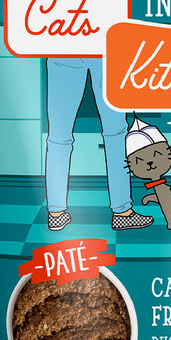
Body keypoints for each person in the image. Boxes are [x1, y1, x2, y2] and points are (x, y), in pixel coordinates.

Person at [44, 57, 153, 231]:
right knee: (116, 133)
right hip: (103, 45)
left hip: (65, 41)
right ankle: (122, 212)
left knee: (59, 136)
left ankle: (56, 213)